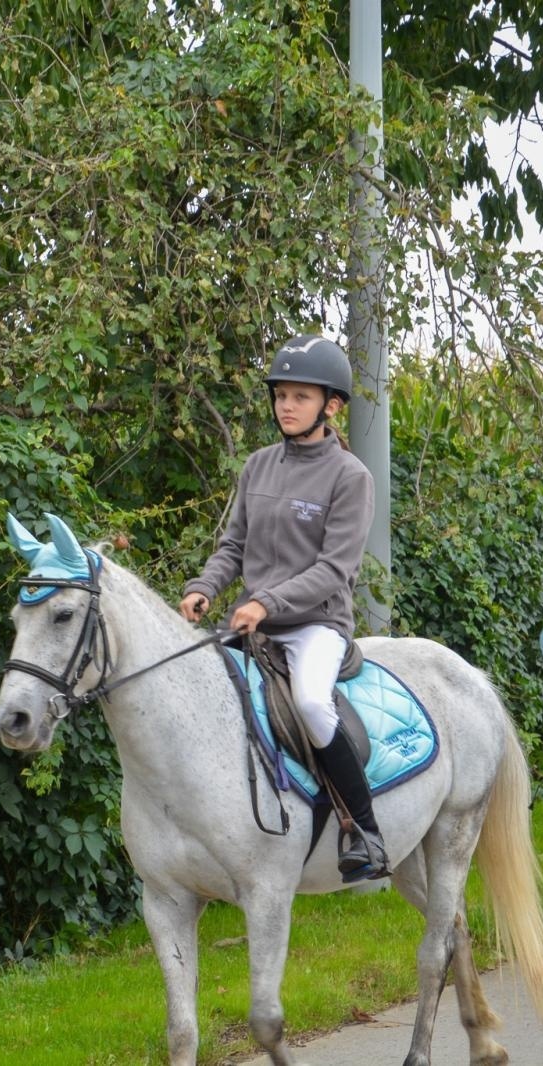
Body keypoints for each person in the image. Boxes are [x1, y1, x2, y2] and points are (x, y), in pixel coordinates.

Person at [178, 335, 383, 881]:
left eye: (299, 397)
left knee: (314, 706)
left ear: (331, 406)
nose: (285, 407)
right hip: (254, 621)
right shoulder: (258, 466)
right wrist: (205, 587)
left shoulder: (350, 477)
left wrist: (265, 602)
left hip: (315, 624)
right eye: (280, 396)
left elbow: (332, 571)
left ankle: (363, 830)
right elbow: (233, 547)